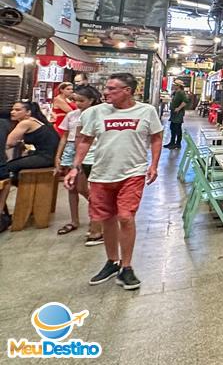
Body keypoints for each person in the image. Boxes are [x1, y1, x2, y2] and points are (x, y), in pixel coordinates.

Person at [65, 73, 163, 290]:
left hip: (133, 173)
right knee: (107, 218)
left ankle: (126, 267)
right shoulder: (95, 113)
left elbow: (156, 137)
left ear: (128, 91)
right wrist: (75, 167)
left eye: (112, 89)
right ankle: (112, 261)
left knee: (126, 218)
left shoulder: (147, 111)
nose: (106, 92)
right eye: (106, 88)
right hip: (101, 173)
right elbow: (85, 140)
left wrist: (153, 165)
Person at [53, 85, 104, 244]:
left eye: (82, 100)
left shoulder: (99, 115)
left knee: (84, 188)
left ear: (92, 100)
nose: (78, 103)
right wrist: (58, 156)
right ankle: (75, 220)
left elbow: (85, 139)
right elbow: (66, 137)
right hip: (72, 152)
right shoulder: (72, 115)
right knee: (72, 188)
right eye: (75, 100)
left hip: (90, 155)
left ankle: (99, 217)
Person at [0, 101, 61, 231]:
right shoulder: (36, 121)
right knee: (11, 168)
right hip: (48, 156)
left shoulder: (25, 122)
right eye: (12, 109)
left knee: (6, 169)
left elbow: (8, 143)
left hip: (45, 158)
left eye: (18, 110)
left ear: (28, 113)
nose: (13, 112)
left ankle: (13, 205)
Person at [165, 81, 188, 149]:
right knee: (172, 128)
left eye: (175, 85)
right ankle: (172, 142)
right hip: (174, 113)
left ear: (178, 86)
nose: (173, 86)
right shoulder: (176, 92)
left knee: (177, 128)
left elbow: (185, 101)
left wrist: (179, 108)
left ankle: (178, 143)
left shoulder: (181, 93)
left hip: (178, 114)